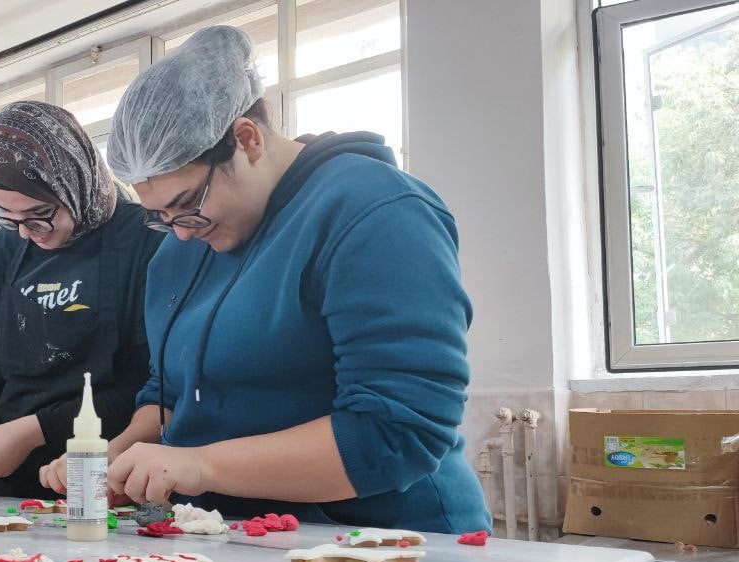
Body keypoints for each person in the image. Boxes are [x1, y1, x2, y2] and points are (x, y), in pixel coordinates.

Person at [41, 27, 490, 533]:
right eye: (159, 215)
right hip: (243, 537)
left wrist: (202, 464)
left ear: (247, 139)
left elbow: (397, 431)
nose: (180, 233)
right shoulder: (177, 254)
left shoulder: (372, 212)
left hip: (388, 542)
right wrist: (113, 459)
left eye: (187, 205)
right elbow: (167, 397)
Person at [0, 101, 162, 498]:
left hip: (102, 472)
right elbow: (0, 364)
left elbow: (147, 385)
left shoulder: (144, 236)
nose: (27, 233)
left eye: (39, 213)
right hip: (8, 473)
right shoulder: (7, 247)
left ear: (75, 180)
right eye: (8, 216)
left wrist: (33, 431)